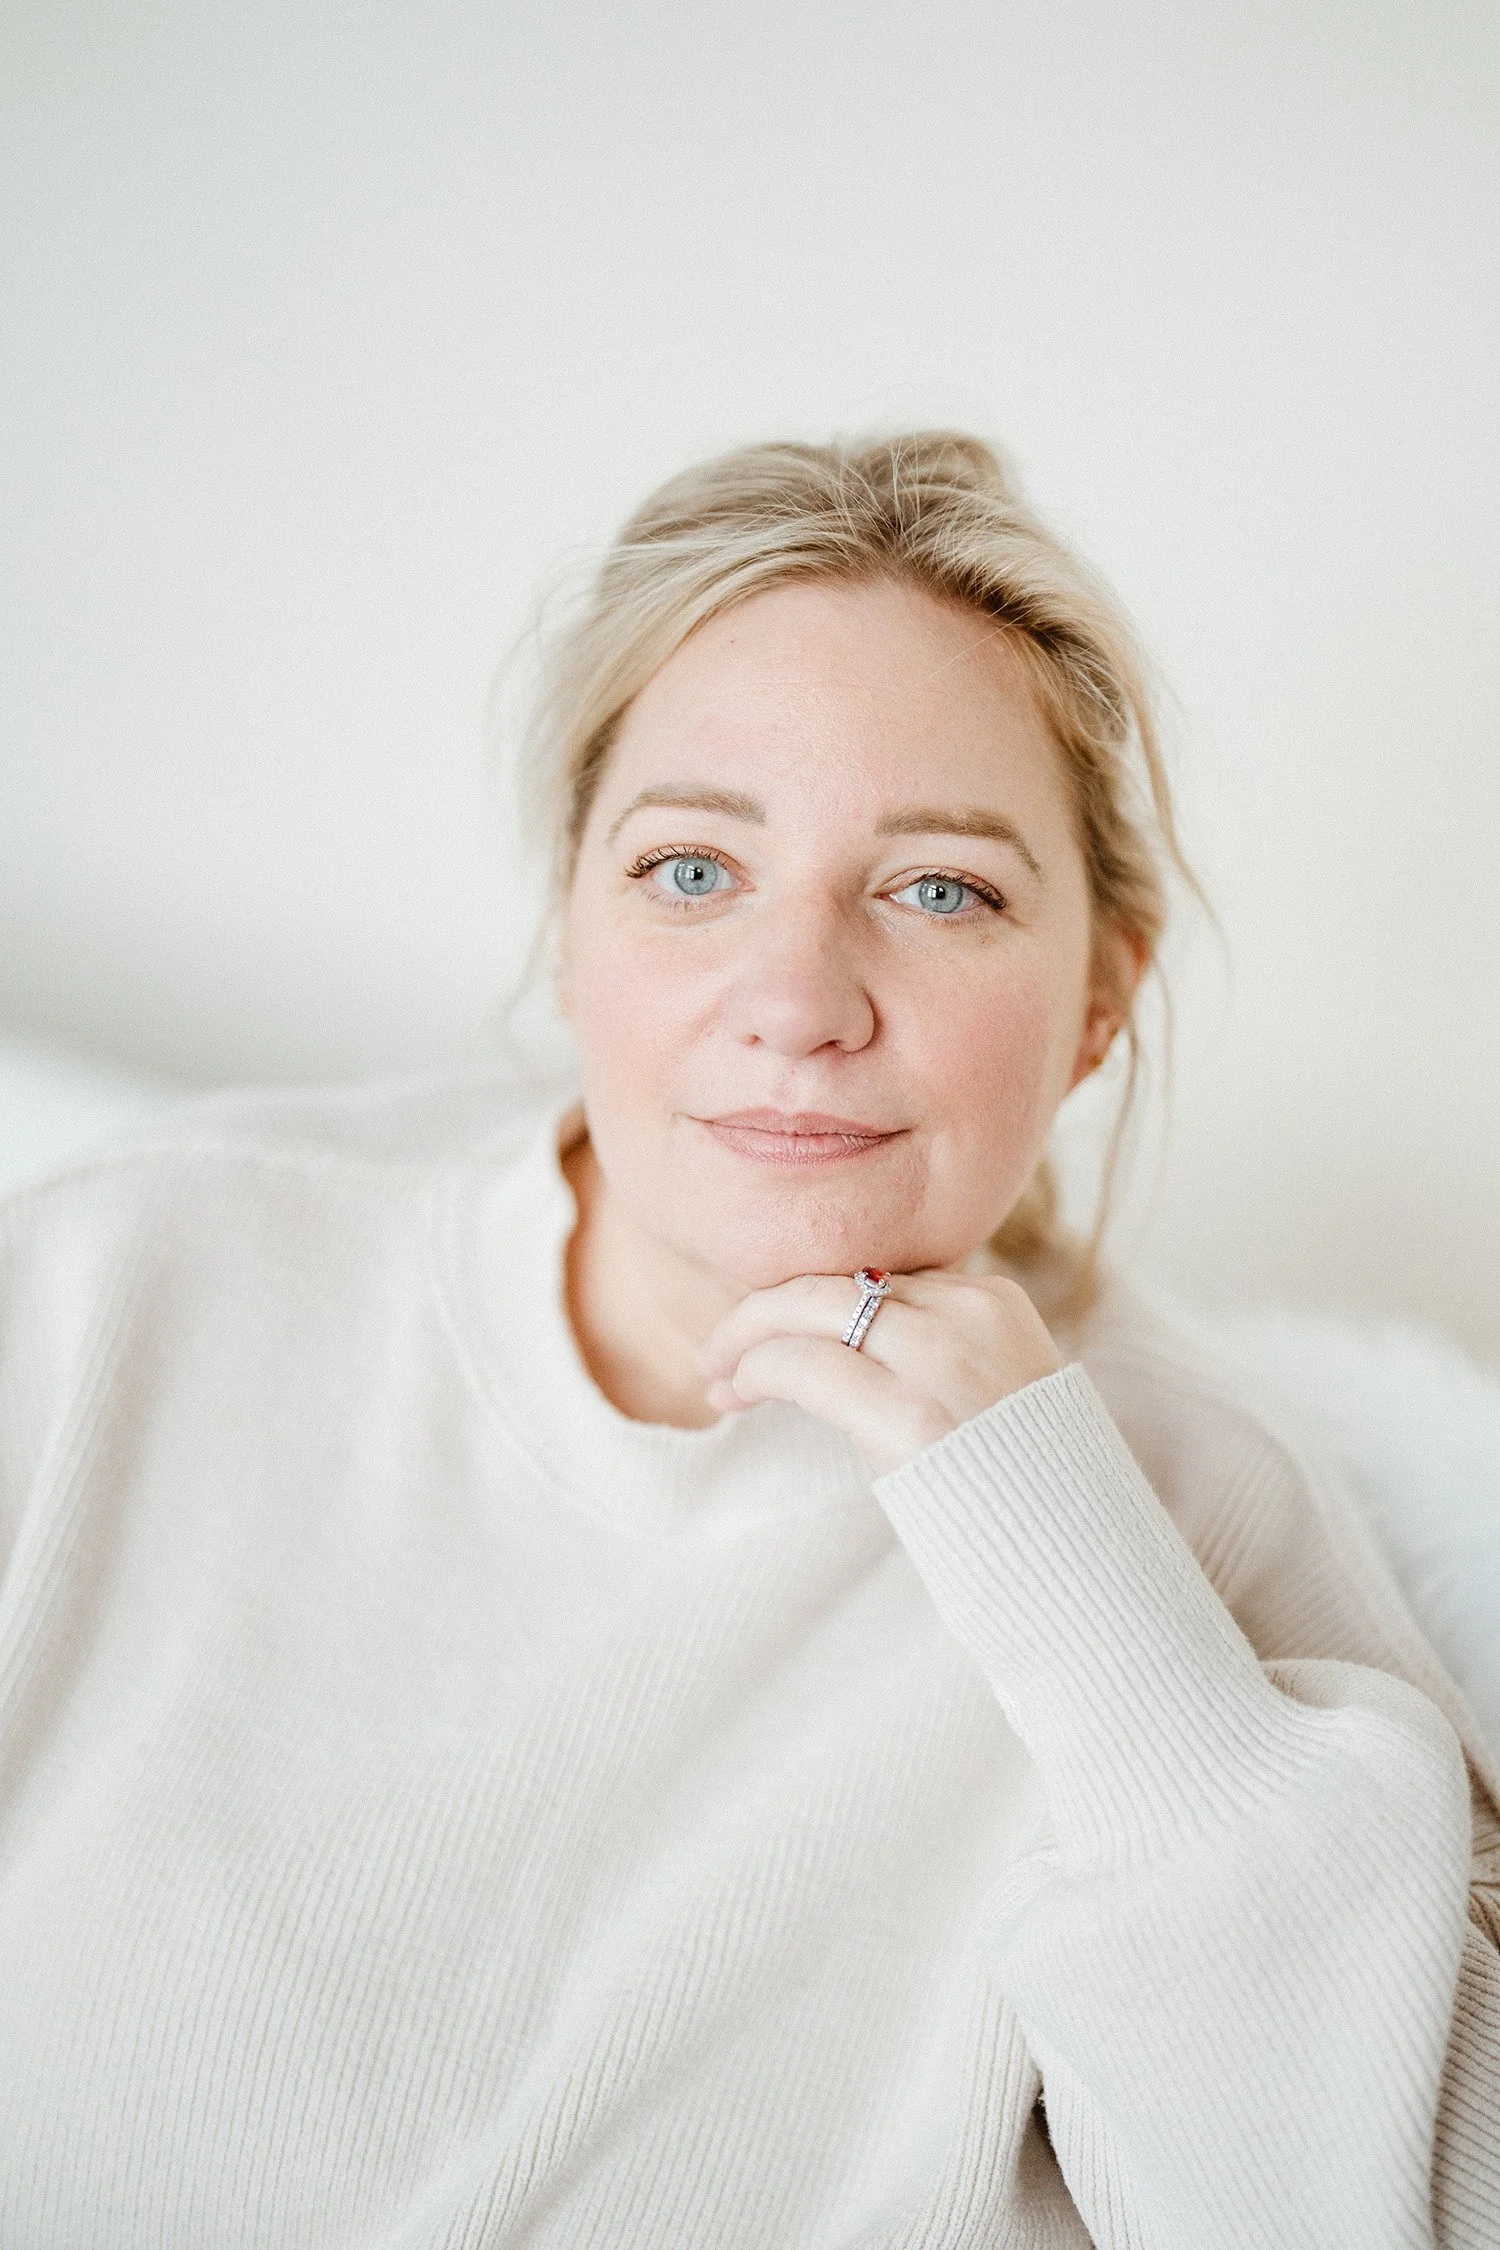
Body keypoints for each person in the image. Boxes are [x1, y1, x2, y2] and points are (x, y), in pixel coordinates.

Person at [0, 433, 1495, 2249]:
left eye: (940, 888)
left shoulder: (1200, 1498)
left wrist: (1096, 1614)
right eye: (694, 870)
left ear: (1099, 1001)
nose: (796, 1002)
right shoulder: (135, 1276)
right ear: (570, 921)